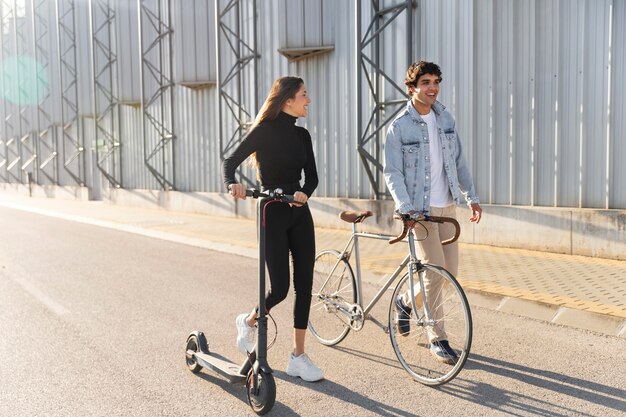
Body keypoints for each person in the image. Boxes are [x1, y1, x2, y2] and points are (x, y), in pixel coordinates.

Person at [222, 76, 323, 382]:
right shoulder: (263, 132)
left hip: (298, 211)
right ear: (288, 100)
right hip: (271, 210)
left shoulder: (302, 136)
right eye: (304, 94)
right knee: (280, 288)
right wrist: (233, 184)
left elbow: (313, 178)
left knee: (305, 283)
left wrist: (304, 192)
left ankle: (298, 356)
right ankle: (249, 320)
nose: (308, 100)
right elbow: (231, 162)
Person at [383, 61, 482, 365]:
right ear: (411, 87)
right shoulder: (399, 126)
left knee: (449, 273)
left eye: (436, 81)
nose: (433, 88)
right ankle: (437, 337)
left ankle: (405, 301)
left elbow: (460, 161)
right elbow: (392, 172)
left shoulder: (445, 119)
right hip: (419, 211)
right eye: (425, 82)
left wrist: (471, 197)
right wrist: (406, 208)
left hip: (447, 206)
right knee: (434, 271)